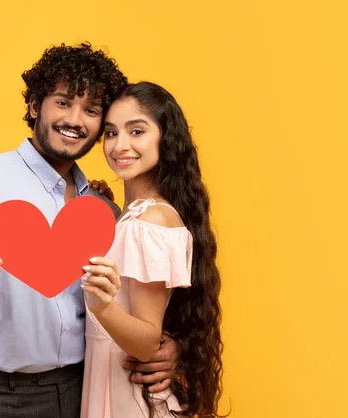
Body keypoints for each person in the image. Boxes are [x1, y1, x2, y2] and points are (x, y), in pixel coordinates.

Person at [0, 43, 182, 418]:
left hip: (86, 391)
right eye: (63, 102)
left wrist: (168, 347)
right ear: (34, 105)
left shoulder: (103, 210)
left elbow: (140, 303)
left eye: (91, 110)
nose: (75, 120)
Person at [80, 82, 225, 418]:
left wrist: (102, 307)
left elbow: (146, 342)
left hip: (127, 397)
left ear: (165, 138)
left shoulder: (147, 222)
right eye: (112, 133)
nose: (120, 145)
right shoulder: (138, 217)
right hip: (121, 389)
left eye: (137, 131)